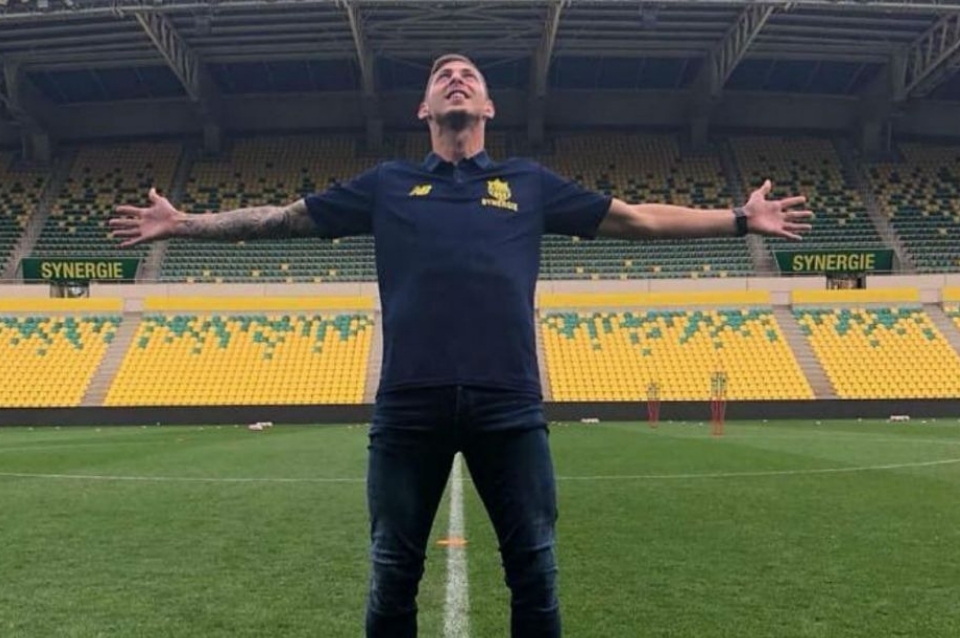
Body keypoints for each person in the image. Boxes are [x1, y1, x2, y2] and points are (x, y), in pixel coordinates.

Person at [111, 53, 812, 638]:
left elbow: (638, 220)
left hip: (508, 406)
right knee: (392, 574)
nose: (456, 78)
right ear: (423, 109)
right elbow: (282, 219)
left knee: (535, 570)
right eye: (442, 75)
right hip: (407, 408)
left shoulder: (527, 183)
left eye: (469, 75)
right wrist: (182, 225)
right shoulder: (388, 183)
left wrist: (738, 218)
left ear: (488, 108)